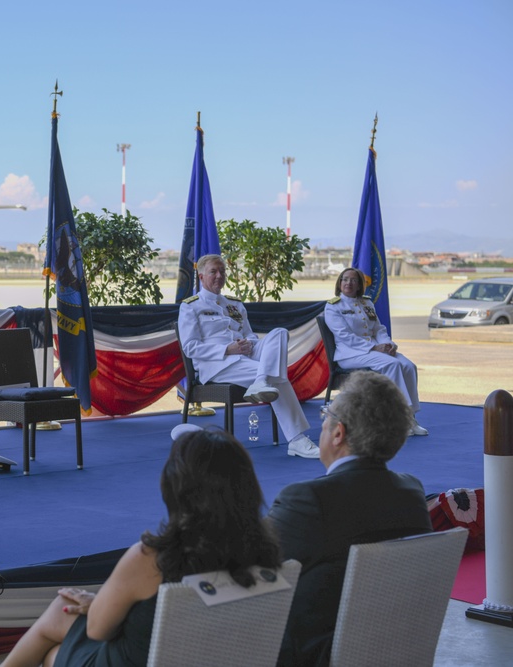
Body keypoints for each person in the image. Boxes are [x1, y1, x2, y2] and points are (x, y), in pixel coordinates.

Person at [0, 426, 283, 667]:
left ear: (175, 488)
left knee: (60, 624)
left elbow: (99, 629)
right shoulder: (267, 553)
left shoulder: (152, 559)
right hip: (214, 656)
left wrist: (97, 604)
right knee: (56, 652)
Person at [267, 371, 432, 666]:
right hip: (392, 650)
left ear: (338, 433)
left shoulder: (309, 501)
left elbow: (254, 574)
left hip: (309, 655)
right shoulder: (411, 493)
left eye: (325, 415)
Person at [178, 254, 319, 458]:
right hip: (218, 364)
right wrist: (228, 349)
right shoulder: (191, 306)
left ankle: (260, 381)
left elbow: (249, 334)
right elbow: (190, 347)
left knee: (279, 333)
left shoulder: (234, 304)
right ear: (201, 276)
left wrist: (248, 345)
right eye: (213, 271)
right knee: (276, 378)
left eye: (222, 271)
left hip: (245, 356)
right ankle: (297, 440)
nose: (219, 275)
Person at [324, 267, 427, 436]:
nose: (348, 283)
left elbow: (378, 329)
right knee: (392, 364)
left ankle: (410, 416)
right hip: (350, 354)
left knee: (408, 366)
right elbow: (344, 336)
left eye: (353, 280)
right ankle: (399, 418)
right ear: (339, 283)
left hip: (373, 351)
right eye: (344, 279)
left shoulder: (367, 303)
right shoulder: (333, 307)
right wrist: (373, 347)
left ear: (359, 285)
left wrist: (387, 344)